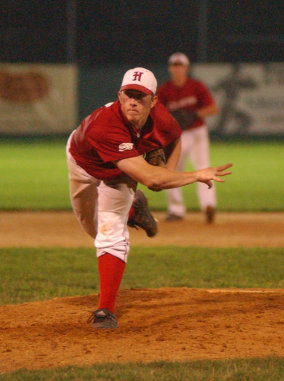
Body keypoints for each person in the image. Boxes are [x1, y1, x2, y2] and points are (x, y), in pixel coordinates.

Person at [66, 67, 232, 329]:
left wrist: (168, 172)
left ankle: (105, 311)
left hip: (118, 175)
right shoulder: (105, 125)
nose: (133, 101)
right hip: (83, 165)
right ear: (119, 96)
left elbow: (175, 138)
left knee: (110, 232)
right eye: (128, 94)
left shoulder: (162, 119)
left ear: (154, 101)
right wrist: (194, 174)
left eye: (140, 96)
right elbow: (151, 179)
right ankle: (134, 211)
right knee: (93, 228)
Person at [158, 53, 220, 223]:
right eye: (174, 65)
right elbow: (156, 114)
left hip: (197, 133)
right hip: (176, 136)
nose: (177, 68)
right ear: (170, 68)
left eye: (180, 65)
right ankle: (176, 209)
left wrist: (194, 114)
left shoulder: (196, 86)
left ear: (186, 68)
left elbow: (213, 109)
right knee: (172, 171)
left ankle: (208, 205)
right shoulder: (164, 90)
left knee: (204, 168)